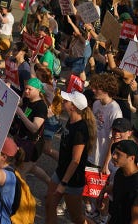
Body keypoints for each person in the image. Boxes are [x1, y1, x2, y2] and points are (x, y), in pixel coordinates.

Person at [45, 90, 96, 224]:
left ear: (73, 107)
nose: (63, 101)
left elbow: (76, 160)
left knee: (77, 219)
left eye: (66, 101)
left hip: (71, 180)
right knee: (49, 205)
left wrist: (63, 183)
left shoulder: (80, 129)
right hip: (60, 171)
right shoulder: (70, 120)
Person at [108, 140, 138, 224]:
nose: (114, 156)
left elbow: (136, 221)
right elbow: (120, 189)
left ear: (131, 158)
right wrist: (103, 192)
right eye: (114, 153)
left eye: (118, 154)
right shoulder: (120, 172)